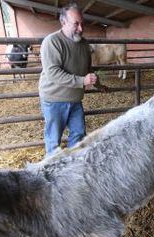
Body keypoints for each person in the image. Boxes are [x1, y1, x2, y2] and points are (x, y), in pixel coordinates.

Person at [39, 3, 105, 155]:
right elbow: (52, 73)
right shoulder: (52, 42)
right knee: (54, 139)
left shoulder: (83, 44)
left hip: (75, 99)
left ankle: (72, 165)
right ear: (63, 22)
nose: (81, 29)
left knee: (79, 134)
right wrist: (82, 81)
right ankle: (53, 170)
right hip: (54, 99)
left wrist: (98, 85)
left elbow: (88, 69)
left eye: (82, 24)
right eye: (76, 24)